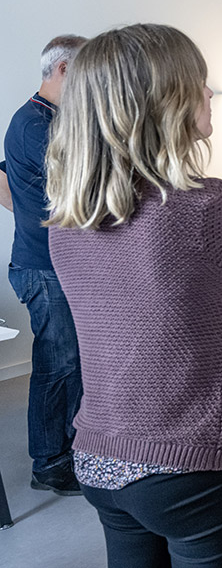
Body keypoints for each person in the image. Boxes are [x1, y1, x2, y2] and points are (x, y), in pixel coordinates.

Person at [45, 24, 222, 566]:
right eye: (198, 81)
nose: (209, 93)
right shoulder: (215, 205)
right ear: (162, 101)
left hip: (100, 454)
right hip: (198, 462)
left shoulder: (66, 219)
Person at [1, 34, 86, 496]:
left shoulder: (52, 119)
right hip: (43, 267)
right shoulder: (35, 124)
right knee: (59, 364)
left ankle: (73, 449)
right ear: (65, 69)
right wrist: (37, 222)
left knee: (72, 363)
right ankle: (51, 464)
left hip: (56, 262)